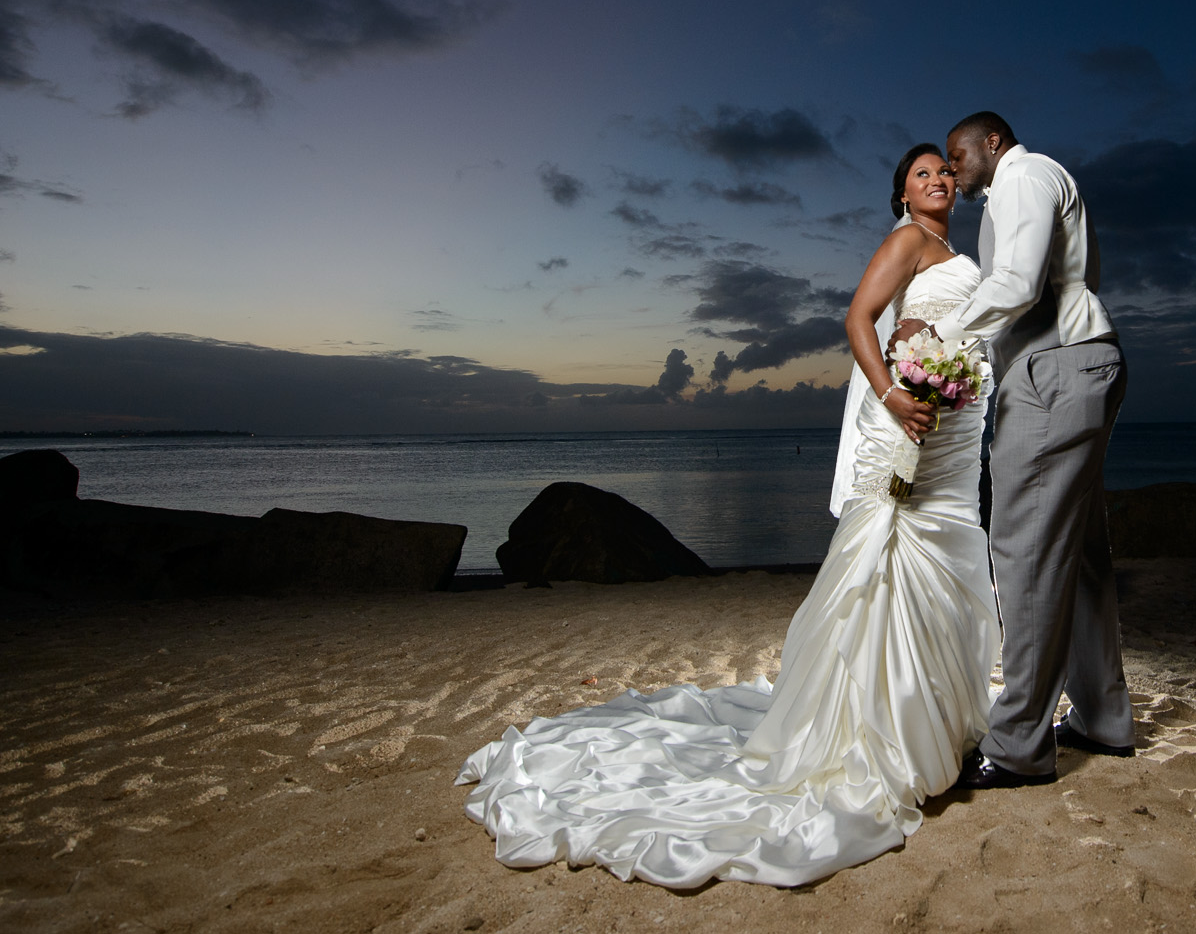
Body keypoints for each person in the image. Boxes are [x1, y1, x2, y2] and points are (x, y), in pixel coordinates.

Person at [457, 145, 999, 888]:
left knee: (942, 559)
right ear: (902, 196)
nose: (937, 179)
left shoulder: (949, 247)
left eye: (943, 171)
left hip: (954, 429)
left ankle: (932, 718)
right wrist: (892, 393)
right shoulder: (908, 240)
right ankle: (885, 732)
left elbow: (938, 325)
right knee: (888, 558)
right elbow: (858, 318)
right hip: (911, 416)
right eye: (920, 174)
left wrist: (943, 367)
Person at [892, 111, 1133, 789]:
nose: (952, 168)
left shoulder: (1024, 176)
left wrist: (936, 330)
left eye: (957, 154)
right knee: (1080, 554)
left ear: (991, 142)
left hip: (1056, 371)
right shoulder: (1033, 181)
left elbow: (1019, 284)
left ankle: (1021, 743)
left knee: (1023, 549)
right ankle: (1102, 718)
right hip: (1081, 363)